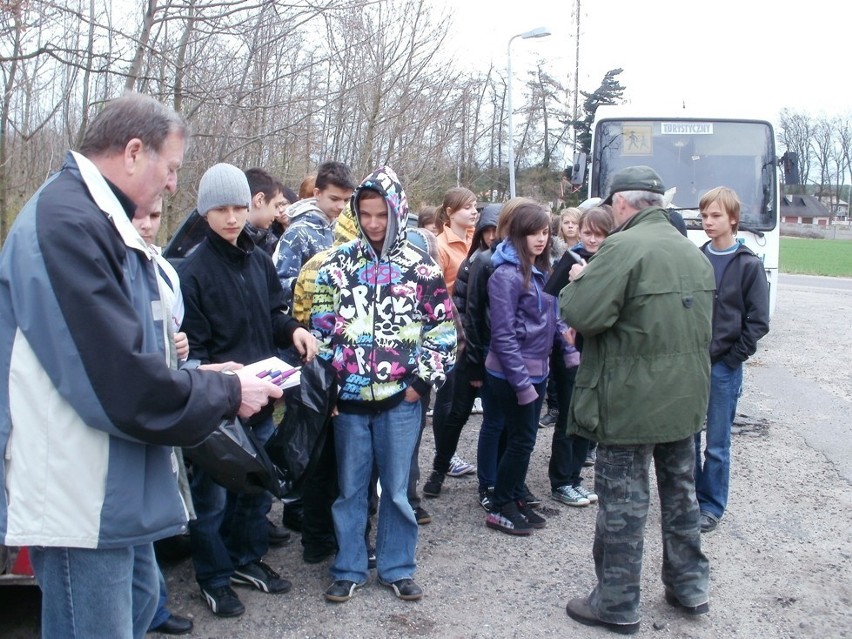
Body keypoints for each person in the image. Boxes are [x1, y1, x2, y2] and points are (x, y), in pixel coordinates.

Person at [0, 92, 283, 638]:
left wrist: (206, 377)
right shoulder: (66, 224)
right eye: (171, 168)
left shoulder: (95, 219)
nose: (174, 185)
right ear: (134, 152)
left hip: (111, 486)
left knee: (136, 606)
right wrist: (224, 391)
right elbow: (120, 383)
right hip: (80, 496)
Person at [561, 165, 715, 634]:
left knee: (624, 505)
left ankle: (617, 603)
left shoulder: (622, 247)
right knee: (682, 497)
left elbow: (581, 313)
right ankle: (690, 588)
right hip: (684, 400)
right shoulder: (693, 253)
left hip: (629, 403)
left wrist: (576, 282)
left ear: (621, 204)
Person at [178, 163, 318, 619]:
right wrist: (223, 381)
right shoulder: (192, 271)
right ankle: (214, 577)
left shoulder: (258, 258)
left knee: (257, 491)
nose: (233, 217)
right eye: (221, 209)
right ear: (205, 211)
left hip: (262, 398)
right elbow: (192, 353)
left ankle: (244, 559)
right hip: (216, 410)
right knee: (212, 500)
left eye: (239, 206)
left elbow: (274, 314)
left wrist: (294, 330)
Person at [310, 166, 456, 603]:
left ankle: (396, 566)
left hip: (399, 400)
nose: (374, 224)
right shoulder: (337, 264)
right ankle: (349, 566)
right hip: (349, 402)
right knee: (350, 490)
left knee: (395, 490)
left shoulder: (421, 267)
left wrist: (419, 381)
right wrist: (328, 388)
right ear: (356, 213)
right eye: (366, 214)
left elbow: (444, 330)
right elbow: (320, 328)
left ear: (397, 213)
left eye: (382, 215)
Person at [131, 195, 195, 636]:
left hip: (162, 405)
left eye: (154, 216)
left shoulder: (165, 270)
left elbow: (172, 330)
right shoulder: (109, 266)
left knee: (152, 509)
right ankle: (142, 609)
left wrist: (180, 346)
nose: (147, 225)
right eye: (138, 216)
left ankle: (152, 605)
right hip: (130, 408)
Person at [482, 199, 563, 536]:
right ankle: (500, 504)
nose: (540, 239)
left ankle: (514, 497)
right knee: (521, 440)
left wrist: (568, 350)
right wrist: (521, 382)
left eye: (544, 232)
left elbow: (553, 317)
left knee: (522, 439)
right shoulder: (505, 275)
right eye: (532, 233)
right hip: (510, 374)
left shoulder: (543, 271)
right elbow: (502, 334)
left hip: (538, 369)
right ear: (518, 234)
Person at [695, 186, 770, 533]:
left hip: (723, 368)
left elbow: (758, 322)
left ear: (733, 220)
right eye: (705, 216)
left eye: (715, 216)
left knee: (718, 443)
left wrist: (730, 360)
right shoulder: (695, 258)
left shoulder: (748, 265)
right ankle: (689, 501)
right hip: (690, 366)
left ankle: (710, 506)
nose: (708, 222)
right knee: (686, 439)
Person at [422, 204, 500, 500]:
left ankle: (492, 480)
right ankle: (439, 470)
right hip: (471, 354)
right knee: (456, 415)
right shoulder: (477, 262)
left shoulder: (504, 260)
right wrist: (474, 362)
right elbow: (468, 315)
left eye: (498, 231)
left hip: (493, 354)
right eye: (489, 231)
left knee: (496, 421)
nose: (493, 237)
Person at [545, 205, 615, 509]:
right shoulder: (572, 258)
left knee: (589, 417)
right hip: (570, 351)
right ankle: (561, 481)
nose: (592, 240)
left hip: (599, 352)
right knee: (571, 417)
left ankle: (574, 476)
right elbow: (551, 300)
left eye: (600, 235)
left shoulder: (612, 261)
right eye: (588, 233)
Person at [428, 187, 479, 481]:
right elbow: (436, 293)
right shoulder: (440, 246)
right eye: (466, 207)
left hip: (476, 327)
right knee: (446, 399)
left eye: (474, 206)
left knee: (464, 398)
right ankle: (444, 457)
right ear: (449, 213)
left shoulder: (478, 239)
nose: (473, 212)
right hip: (450, 330)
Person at [272, 161, 356, 310]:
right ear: (317, 193)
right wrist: (307, 283)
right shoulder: (298, 233)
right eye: (334, 199)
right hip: (303, 324)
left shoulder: (345, 231)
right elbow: (277, 285)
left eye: (347, 200)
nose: (341, 206)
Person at [242, 167, 288, 253]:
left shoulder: (270, 244)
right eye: (276, 206)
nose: (278, 214)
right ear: (259, 200)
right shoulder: (228, 242)